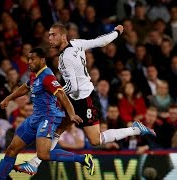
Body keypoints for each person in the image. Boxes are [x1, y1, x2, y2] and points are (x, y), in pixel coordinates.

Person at [16, 23, 156, 175]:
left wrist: (55, 93)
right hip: (75, 99)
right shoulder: (76, 43)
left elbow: (73, 86)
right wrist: (116, 32)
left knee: (96, 140)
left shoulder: (65, 58)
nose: (50, 38)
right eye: (49, 35)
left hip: (85, 99)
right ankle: (35, 163)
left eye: (53, 35)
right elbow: (100, 41)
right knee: (58, 128)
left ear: (63, 36)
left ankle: (135, 129)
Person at [0, 48, 94, 179]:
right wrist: (8, 98)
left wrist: (71, 114)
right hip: (35, 118)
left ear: (42, 60)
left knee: (43, 154)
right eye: (28, 59)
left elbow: (61, 95)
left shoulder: (47, 76)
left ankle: (83, 159)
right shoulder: (33, 73)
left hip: (48, 119)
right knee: (12, 149)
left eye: (32, 59)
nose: (29, 62)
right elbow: (26, 86)